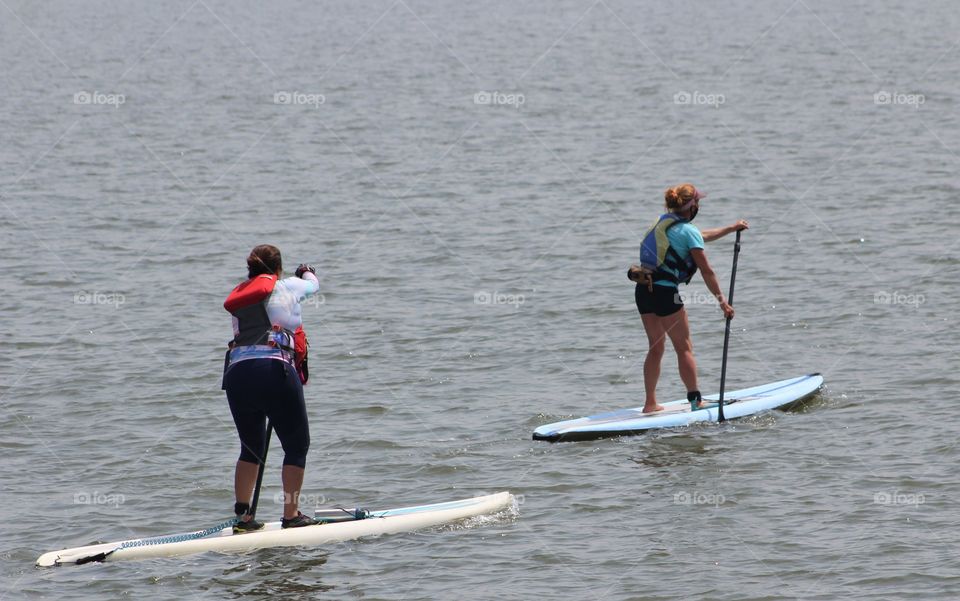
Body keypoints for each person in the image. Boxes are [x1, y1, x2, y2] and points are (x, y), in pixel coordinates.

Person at [222, 244, 320, 531]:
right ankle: (291, 516)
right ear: (278, 269)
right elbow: (313, 285)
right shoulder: (288, 286)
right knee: (296, 445)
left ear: (250, 270)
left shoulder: (239, 295)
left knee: (250, 447)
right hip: (273, 370)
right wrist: (306, 271)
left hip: (237, 374)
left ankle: (244, 517)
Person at [629, 184, 748, 413]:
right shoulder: (687, 231)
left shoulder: (662, 223)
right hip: (665, 293)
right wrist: (722, 302)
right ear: (692, 206)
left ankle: (650, 404)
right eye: (697, 202)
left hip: (643, 290)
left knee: (656, 347)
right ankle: (696, 401)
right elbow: (707, 271)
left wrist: (732, 228)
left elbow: (701, 235)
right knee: (684, 347)